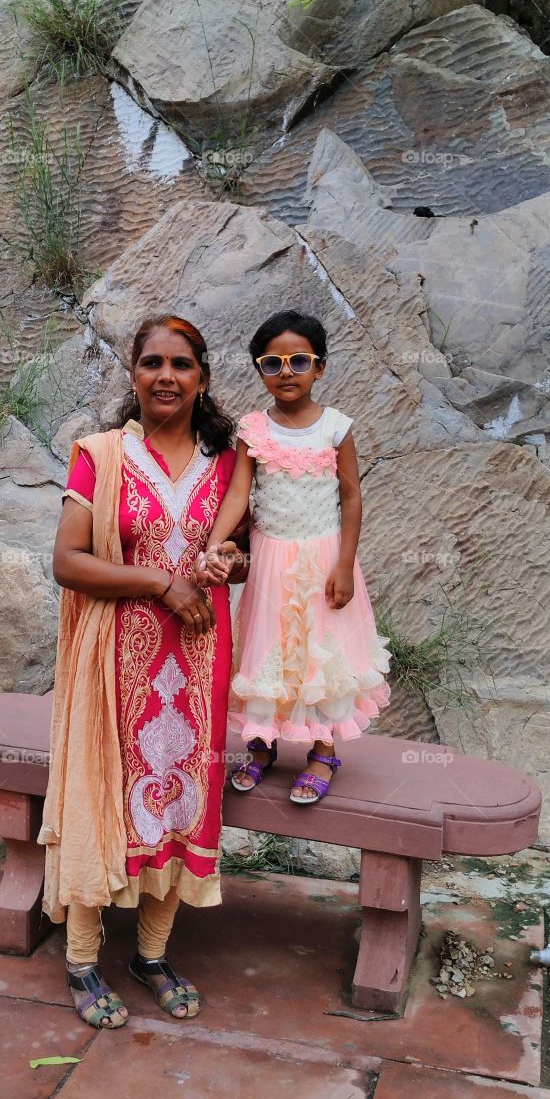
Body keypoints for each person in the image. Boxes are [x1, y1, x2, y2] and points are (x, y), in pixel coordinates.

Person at [36, 314, 248, 1030]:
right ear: (133, 375)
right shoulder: (100, 454)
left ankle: (150, 956)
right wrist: (159, 582)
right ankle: (83, 960)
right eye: (152, 362)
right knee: (105, 796)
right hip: (114, 663)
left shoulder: (228, 464)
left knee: (180, 800)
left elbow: (241, 550)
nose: (166, 375)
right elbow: (67, 562)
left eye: (182, 364)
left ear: (203, 378)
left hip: (197, 663)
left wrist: (230, 561)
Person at [199, 309, 391, 803]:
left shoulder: (336, 428)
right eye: (272, 363)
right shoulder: (253, 430)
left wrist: (345, 563)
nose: (286, 372)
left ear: (320, 367)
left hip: (324, 557)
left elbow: (351, 497)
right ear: (260, 369)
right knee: (269, 649)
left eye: (299, 361)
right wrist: (215, 544)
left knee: (322, 653)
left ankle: (322, 751)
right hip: (270, 562)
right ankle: (261, 746)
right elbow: (239, 494)